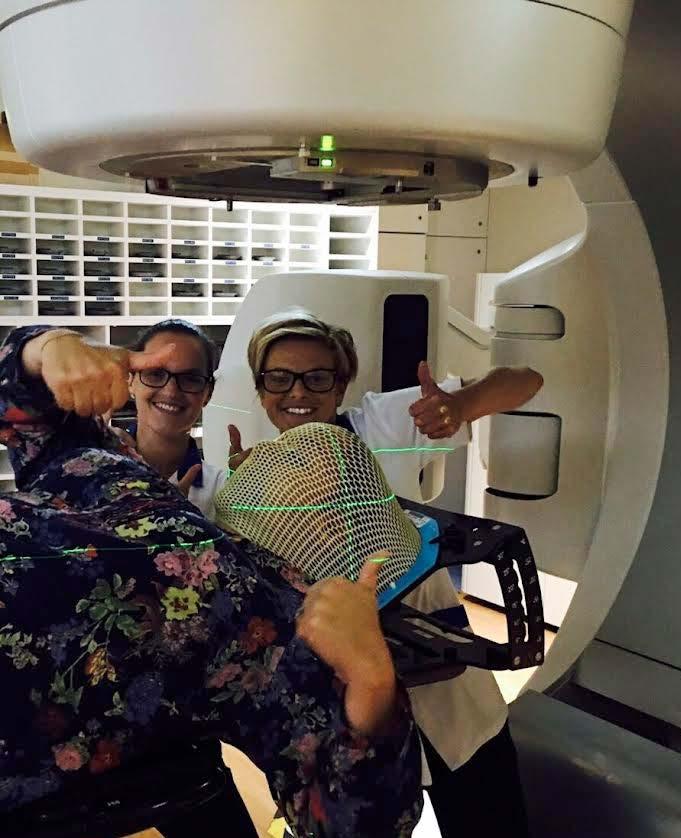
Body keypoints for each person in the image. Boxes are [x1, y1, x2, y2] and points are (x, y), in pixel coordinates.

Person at [0, 326, 422, 838]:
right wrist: (48, 349)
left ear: (335, 527)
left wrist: (370, 678)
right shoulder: (127, 475)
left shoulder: (275, 633)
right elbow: (28, 410)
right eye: (293, 449)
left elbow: (355, 818)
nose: (290, 454)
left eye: (322, 471)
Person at [229, 308, 543, 838]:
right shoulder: (251, 477)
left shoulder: (382, 425)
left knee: (490, 818)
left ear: (340, 384)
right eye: (279, 378)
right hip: (345, 710)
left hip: (445, 677)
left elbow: (525, 381)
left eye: (317, 377)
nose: (297, 391)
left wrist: (459, 405)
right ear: (261, 390)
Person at [114, 319, 227, 519]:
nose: (171, 391)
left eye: (190, 379)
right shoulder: (95, 468)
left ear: (208, 393)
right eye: (155, 374)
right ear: (130, 381)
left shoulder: (222, 490)